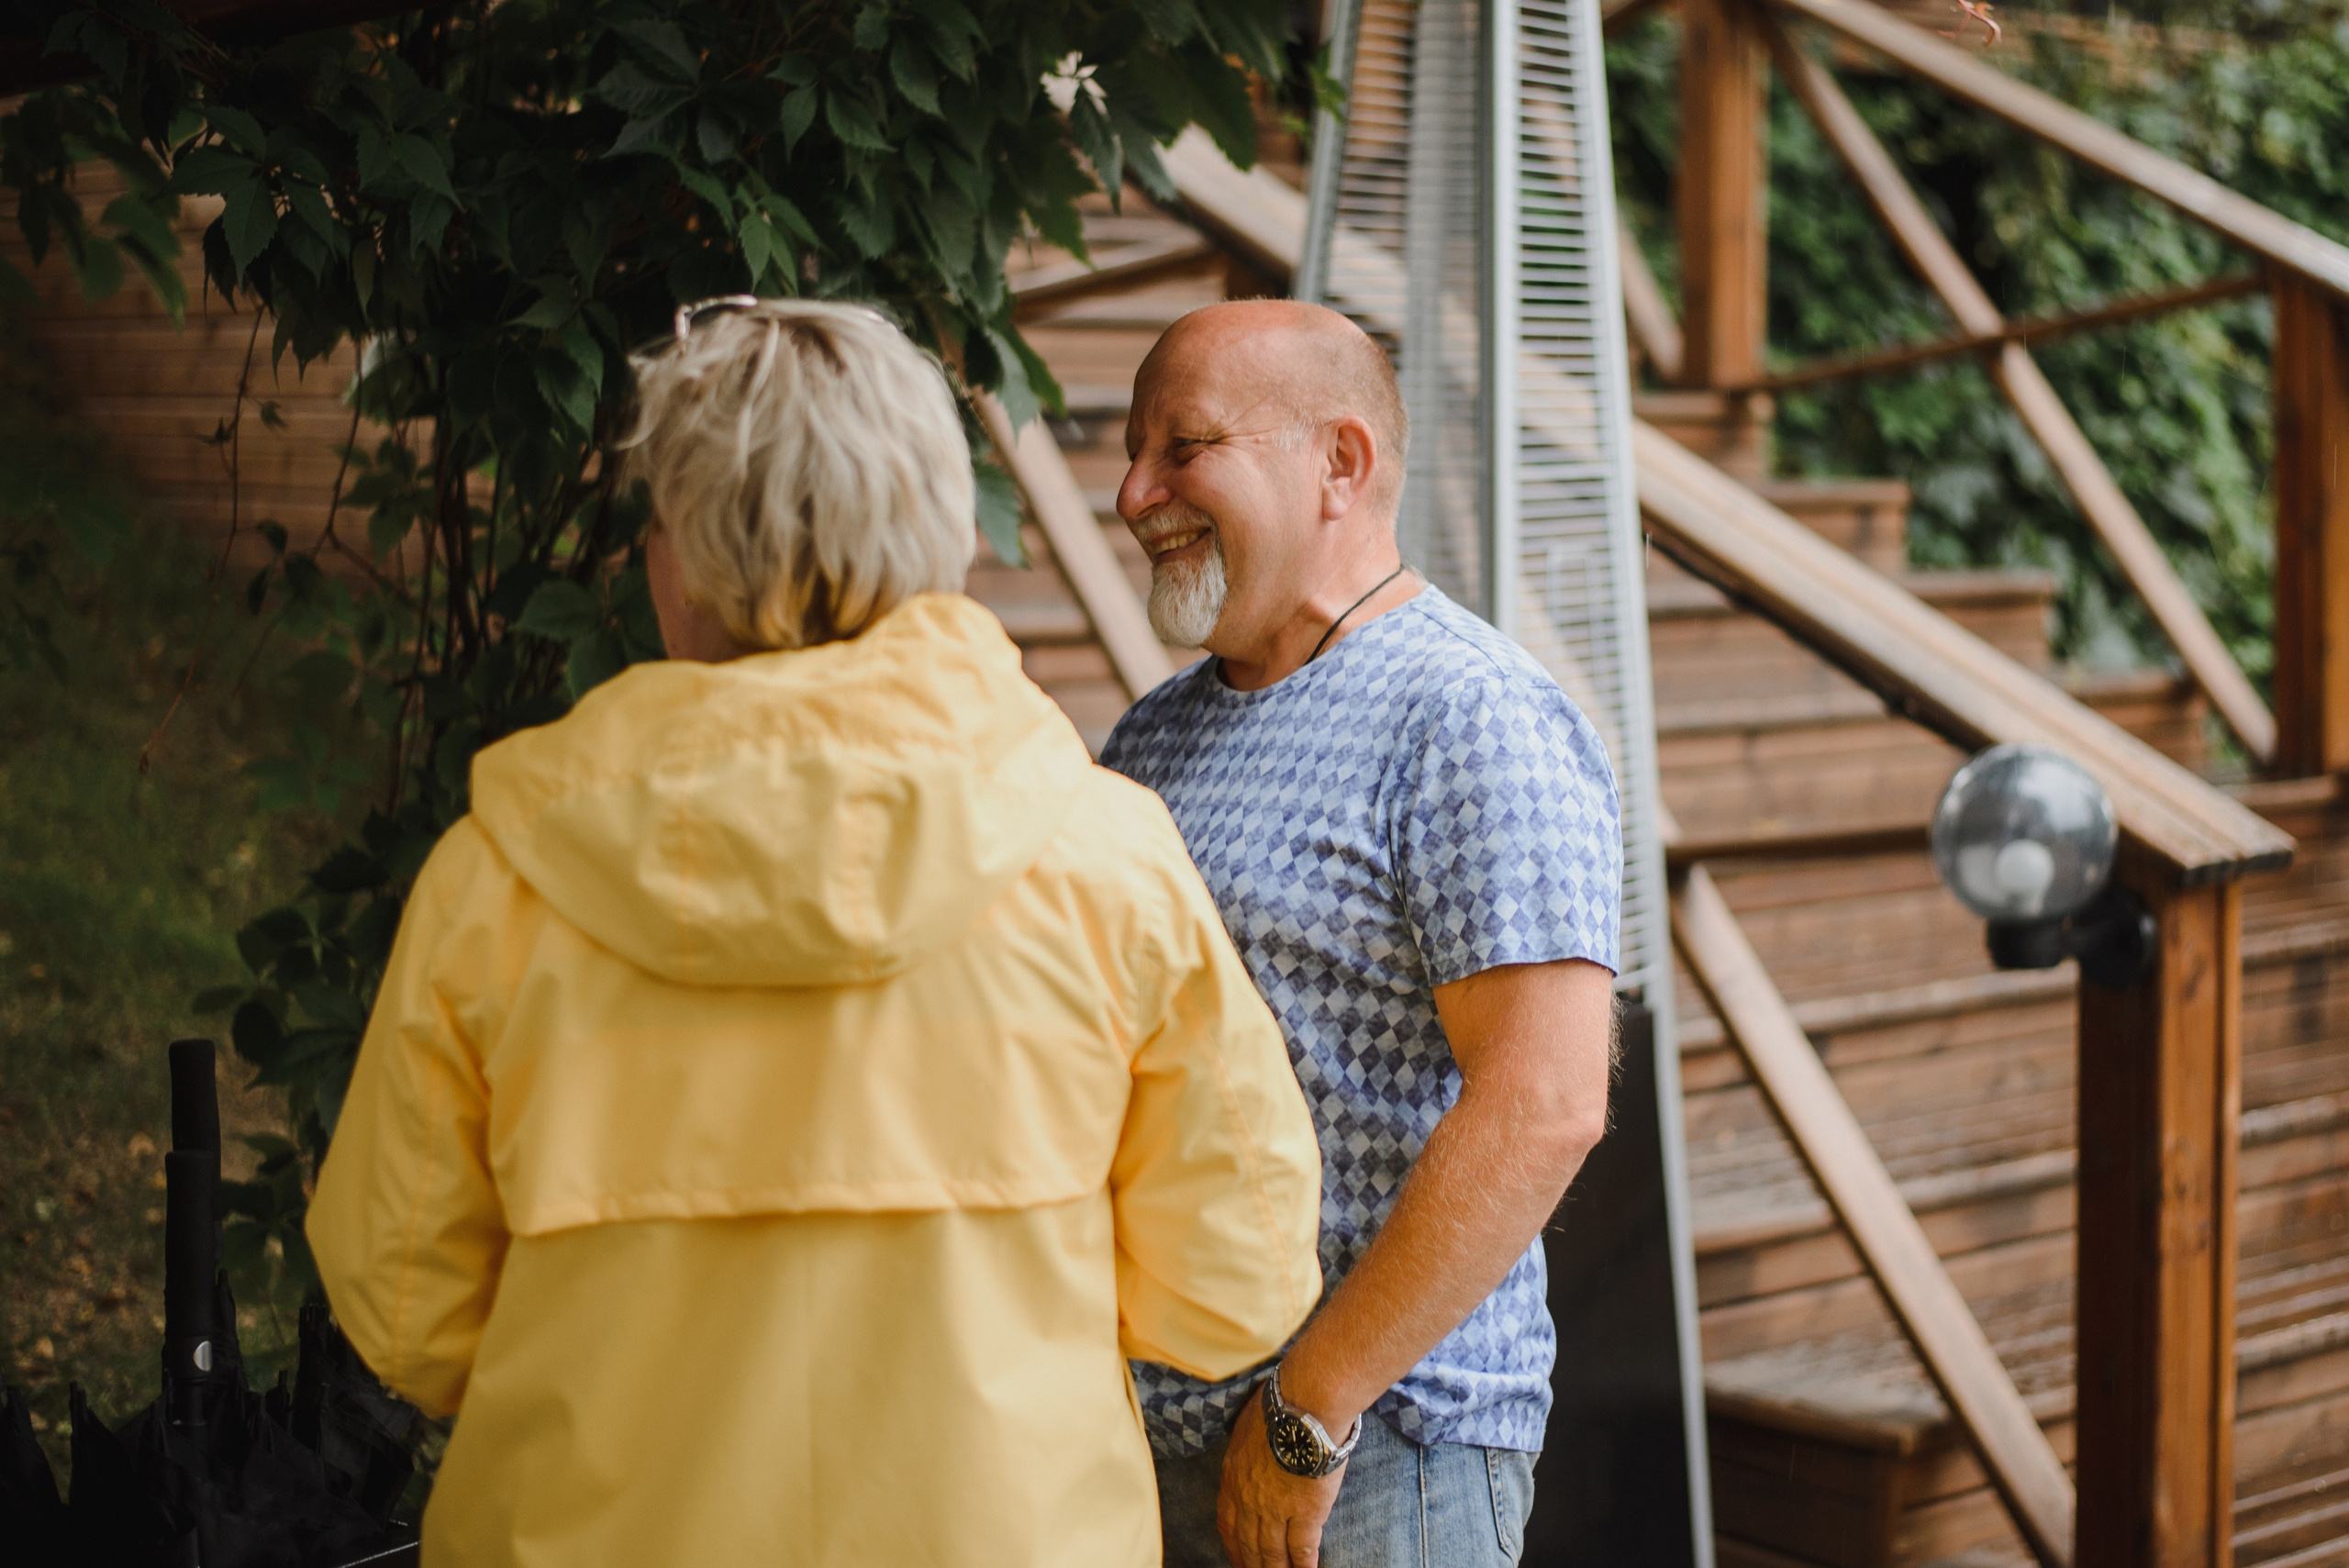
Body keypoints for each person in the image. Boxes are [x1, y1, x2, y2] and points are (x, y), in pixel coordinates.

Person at [306, 297, 1325, 1568]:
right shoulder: (1105, 863)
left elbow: (408, 1312)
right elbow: (1234, 1283)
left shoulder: (496, 882)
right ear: (947, 535)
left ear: (674, 556)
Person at [1100, 299, 1622, 1568]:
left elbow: (1545, 1103)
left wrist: (1308, 1410)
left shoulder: (1471, 713)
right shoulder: (1151, 734)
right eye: (1133, 448)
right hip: (1147, 1441)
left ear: (1339, 461)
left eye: (1184, 445)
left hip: (1373, 1453)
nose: (1133, 491)